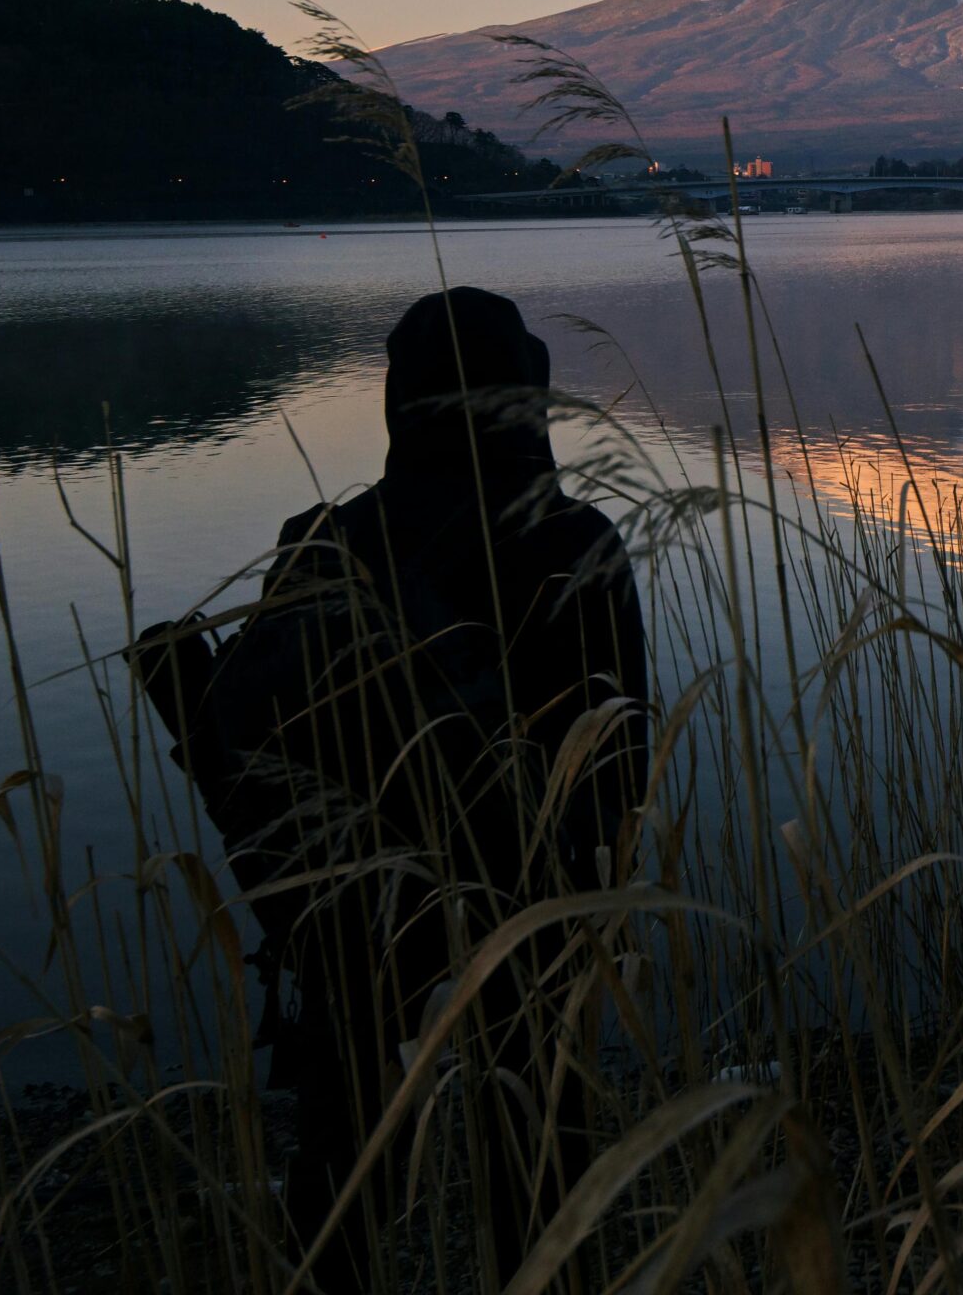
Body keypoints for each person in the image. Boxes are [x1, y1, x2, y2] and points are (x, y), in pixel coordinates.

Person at [135, 287, 648, 1290]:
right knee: (542, 1164)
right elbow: (618, 766)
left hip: (358, 915)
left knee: (340, 1173)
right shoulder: (572, 543)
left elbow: (260, 751)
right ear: (523, 396)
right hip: (527, 908)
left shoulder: (327, 540)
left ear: (394, 401)